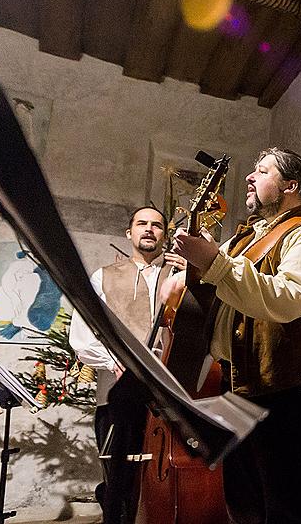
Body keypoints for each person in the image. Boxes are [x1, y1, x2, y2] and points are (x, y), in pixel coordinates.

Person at [168, 147, 301, 524]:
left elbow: (288, 299)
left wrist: (212, 261)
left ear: (290, 185)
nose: (249, 177)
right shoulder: (247, 236)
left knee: (288, 504)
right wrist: (183, 277)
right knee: (244, 502)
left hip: (289, 386)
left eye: (261, 171)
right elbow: (210, 280)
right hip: (238, 380)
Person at [69, 205, 184, 524]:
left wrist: (193, 278)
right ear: (129, 232)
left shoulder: (178, 276)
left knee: (159, 483)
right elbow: (81, 335)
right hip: (115, 392)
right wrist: (114, 360)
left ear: (165, 234)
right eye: (142, 223)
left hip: (165, 399)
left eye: (157, 225)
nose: (149, 229)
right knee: (118, 484)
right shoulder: (103, 276)